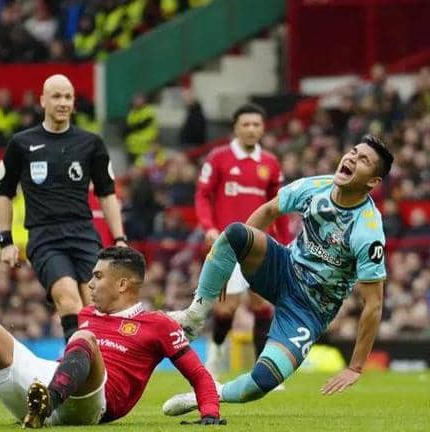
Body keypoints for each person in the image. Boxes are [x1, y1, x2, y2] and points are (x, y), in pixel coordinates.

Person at [164, 135, 393, 415]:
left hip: (309, 309)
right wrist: (231, 261)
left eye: (363, 160)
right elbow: (270, 209)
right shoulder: (315, 186)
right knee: (236, 233)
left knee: (262, 382)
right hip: (282, 268)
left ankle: (210, 392)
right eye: (354, 152)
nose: (352, 159)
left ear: (373, 182)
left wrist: (355, 367)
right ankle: (194, 316)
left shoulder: (368, 231)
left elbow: (374, 304)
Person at [0, 246, 224, 427]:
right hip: (51, 387)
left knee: (83, 339)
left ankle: (46, 404)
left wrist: (210, 414)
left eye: (98, 276)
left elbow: (199, 375)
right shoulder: (88, 314)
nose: (90, 284)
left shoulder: (158, 324)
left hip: (94, 404)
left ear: (122, 285)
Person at [0, 74, 127, 341]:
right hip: (44, 237)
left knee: (95, 305)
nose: (63, 102)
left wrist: (120, 238)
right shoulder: (21, 144)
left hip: (83, 234)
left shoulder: (91, 143)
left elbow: (107, 194)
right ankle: (78, 365)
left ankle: (92, 363)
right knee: (68, 299)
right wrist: (5, 241)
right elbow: (4, 193)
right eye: (56, 96)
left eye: (68, 97)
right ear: (43, 100)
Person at [194, 103, 290, 378]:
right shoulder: (218, 158)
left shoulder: (270, 163)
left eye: (256, 124)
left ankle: (264, 369)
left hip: (261, 246)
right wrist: (209, 227)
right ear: (235, 127)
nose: (251, 129)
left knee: (262, 305)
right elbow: (202, 195)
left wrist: (285, 241)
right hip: (228, 245)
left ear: (263, 128)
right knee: (227, 308)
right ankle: (215, 354)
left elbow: (279, 206)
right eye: (245, 124)